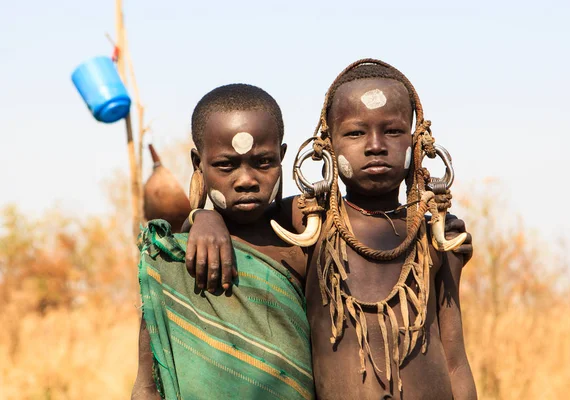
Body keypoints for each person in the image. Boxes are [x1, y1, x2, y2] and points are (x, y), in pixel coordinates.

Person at [185, 59, 476, 399]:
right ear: (326, 146)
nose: (375, 145)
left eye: (394, 131)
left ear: (418, 143)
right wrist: (204, 218)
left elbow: (455, 362)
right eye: (355, 133)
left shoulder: (436, 238)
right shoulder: (309, 221)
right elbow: (241, 212)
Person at [131, 83, 314, 400]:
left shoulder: (306, 230)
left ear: (282, 156)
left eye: (264, 162)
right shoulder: (175, 255)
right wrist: (200, 216)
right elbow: (146, 386)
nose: (246, 180)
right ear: (197, 163)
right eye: (226, 165)